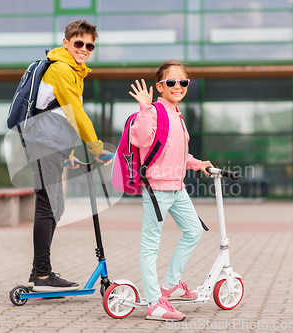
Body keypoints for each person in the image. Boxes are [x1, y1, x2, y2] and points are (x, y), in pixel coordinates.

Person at [26, 20, 111, 292]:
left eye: (89, 45)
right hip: (43, 144)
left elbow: (59, 114)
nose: (84, 48)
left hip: (50, 144)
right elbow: (76, 113)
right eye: (79, 43)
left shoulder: (73, 71)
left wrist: (71, 152)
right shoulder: (62, 69)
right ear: (66, 43)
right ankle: (41, 275)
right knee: (48, 206)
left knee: (55, 207)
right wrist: (96, 147)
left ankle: (39, 273)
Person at [129, 60, 213, 321]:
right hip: (157, 189)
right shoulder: (154, 111)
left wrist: (198, 164)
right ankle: (155, 303)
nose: (178, 86)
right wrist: (144, 108)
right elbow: (140, 140)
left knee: (194, 230)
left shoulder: (177, 114)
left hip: (177, 189)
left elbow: (176, 153)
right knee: (150, 245)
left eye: (183, 82)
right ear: (160, 86)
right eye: (172, 82)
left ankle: (171, 284)